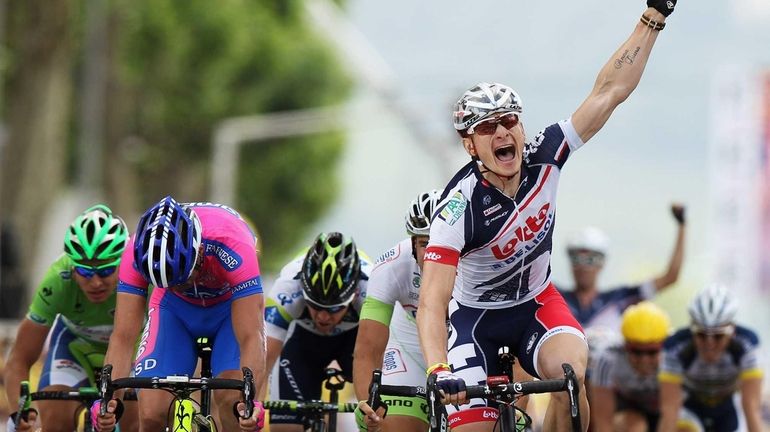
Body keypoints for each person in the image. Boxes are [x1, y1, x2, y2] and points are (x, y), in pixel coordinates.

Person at [415, 0, 680, 430]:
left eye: (509, 120)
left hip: (537, 303)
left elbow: (609, 91)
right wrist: (438, 370)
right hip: (475, 321)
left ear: (521, 127)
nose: (501, 132)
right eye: (486, 128)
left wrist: (653, 18)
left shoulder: (546, 154)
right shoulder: (457, 206)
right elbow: (432, 301)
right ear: (470, 145)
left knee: (572, 377)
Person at [92, 196, 266, 432]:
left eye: (183, 278)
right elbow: (123, 337)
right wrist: (110, 401)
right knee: (152, 412)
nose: (178, 285)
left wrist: (251, 402)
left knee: (233, 403)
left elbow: (251, 336)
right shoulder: (136, 252)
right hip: (174, 311)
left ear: (200, 251)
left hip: (228, 311)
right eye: (165, 281)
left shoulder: (233, 244)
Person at [3, 205, 138, 432]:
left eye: (105, 271)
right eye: (85, 272)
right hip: (74, 348)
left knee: (139, 419)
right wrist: (19, 411)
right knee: (54, 414)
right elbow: (19, 359)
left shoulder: (138, 275)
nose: (95, 282)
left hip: (132, 350)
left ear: (121, 263)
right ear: (73, 268)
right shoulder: (58, 279)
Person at [262, 231, 371, 432]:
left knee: (378, 418)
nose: (322, 317)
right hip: (302, 342)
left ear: (354, 294)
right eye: (314, 305)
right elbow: (264, 359)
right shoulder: (286, 287)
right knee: (284, 428)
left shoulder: (372, 289)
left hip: (355, 341)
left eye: (334, 309)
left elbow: (383, 355)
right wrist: (253, 406)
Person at [352, 190, 441, 431]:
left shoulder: (481, 261)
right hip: (411, 343)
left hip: (463, 344)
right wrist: (366, 403)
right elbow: (367, 349)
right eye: (424, 243)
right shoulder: (392, 266)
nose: (432, 253)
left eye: (440, 242)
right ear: (412, 244)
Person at [558, 204, 685, 336]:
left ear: (602, 263)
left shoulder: (619, 299)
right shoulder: (556, 298)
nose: (583, 267)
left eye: (591, 260)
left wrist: (682, 226)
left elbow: (670, 277)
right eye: (576, 259)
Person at [657, 284, 764, 432]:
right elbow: (670, 409)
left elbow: (751, 406)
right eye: (701, 334)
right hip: (691, 407)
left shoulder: (747, 344)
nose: (709, 343)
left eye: (718, 336)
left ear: (732, 331)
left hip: (727, 408)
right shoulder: (676, 347)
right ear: (692, 329)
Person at [590, 301, 671, 432]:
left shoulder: (674, 358)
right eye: (636, 351)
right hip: (628, 413)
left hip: (664, 413)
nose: (644, 360)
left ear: (663, 346)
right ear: (625, 345)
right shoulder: (608, 358)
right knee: (634, 427)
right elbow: (603, 423)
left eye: (652, 351)